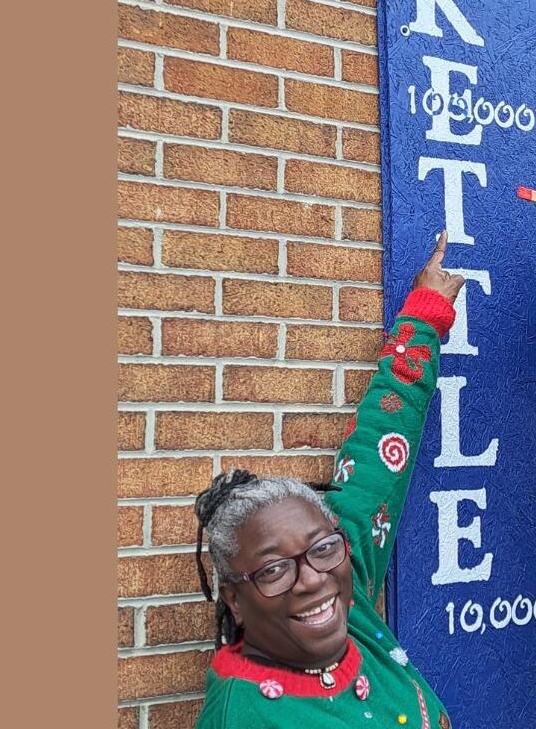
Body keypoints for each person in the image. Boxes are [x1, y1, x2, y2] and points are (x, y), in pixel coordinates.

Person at [192, 233, 464, 729]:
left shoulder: (344, 595)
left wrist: (423, 319)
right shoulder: (244, 716)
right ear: (234, 600)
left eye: (322, 548)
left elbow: (378, 458)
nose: (312, 578)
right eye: (273, 570)